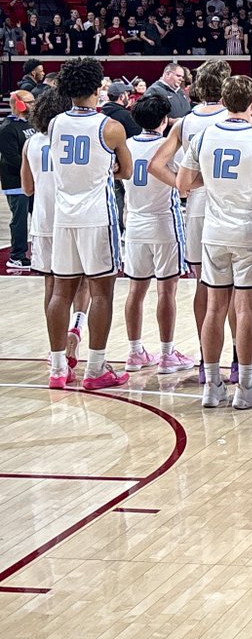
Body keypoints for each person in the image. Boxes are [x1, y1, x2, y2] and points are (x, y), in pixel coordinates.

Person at [178, 75, 252, 410]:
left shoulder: (203, 136)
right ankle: (246, 387)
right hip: (248, 232)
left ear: (224, 102)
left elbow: (183, 183)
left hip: (213, 232)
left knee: (214, 308)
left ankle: (212, 386)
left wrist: (213, 183)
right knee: (245, 309)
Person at [45, 57, 134, 390]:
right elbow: (126, 171)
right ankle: (95, 369)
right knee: (101, 293)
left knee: (61, 292)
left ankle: (57, 369)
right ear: (98, 88)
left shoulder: (54, 124)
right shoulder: (110, 127)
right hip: (97, 216)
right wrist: (106, 169)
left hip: (64, 216)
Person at [148, 60, 231, 382]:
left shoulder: (184, 123)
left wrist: (185, 186)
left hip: (197, 208)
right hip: (231, 207)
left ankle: (206, 359)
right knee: (237, 289)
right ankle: (241, 361)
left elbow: (156, 164)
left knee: (203, 285)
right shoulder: (236, 118)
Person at [121, 94, 194, 375]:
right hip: (164, 222)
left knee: (135, 290)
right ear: (165, 120)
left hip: (134, 224)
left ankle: (134, 351)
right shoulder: (169, 148)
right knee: (167, 290)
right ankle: (166, 353)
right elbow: (185, 185)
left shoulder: (127, 145)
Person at [0, 90, 36, 269]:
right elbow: (12, 158)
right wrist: (33, 169)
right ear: (19, 104)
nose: (34, 105)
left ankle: (39, 251)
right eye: (30, 102)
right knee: (20, 220)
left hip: (33, 180)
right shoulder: (7, 128)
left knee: (38, 216)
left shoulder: (31, 123)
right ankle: (17, 256)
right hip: (16, 182)